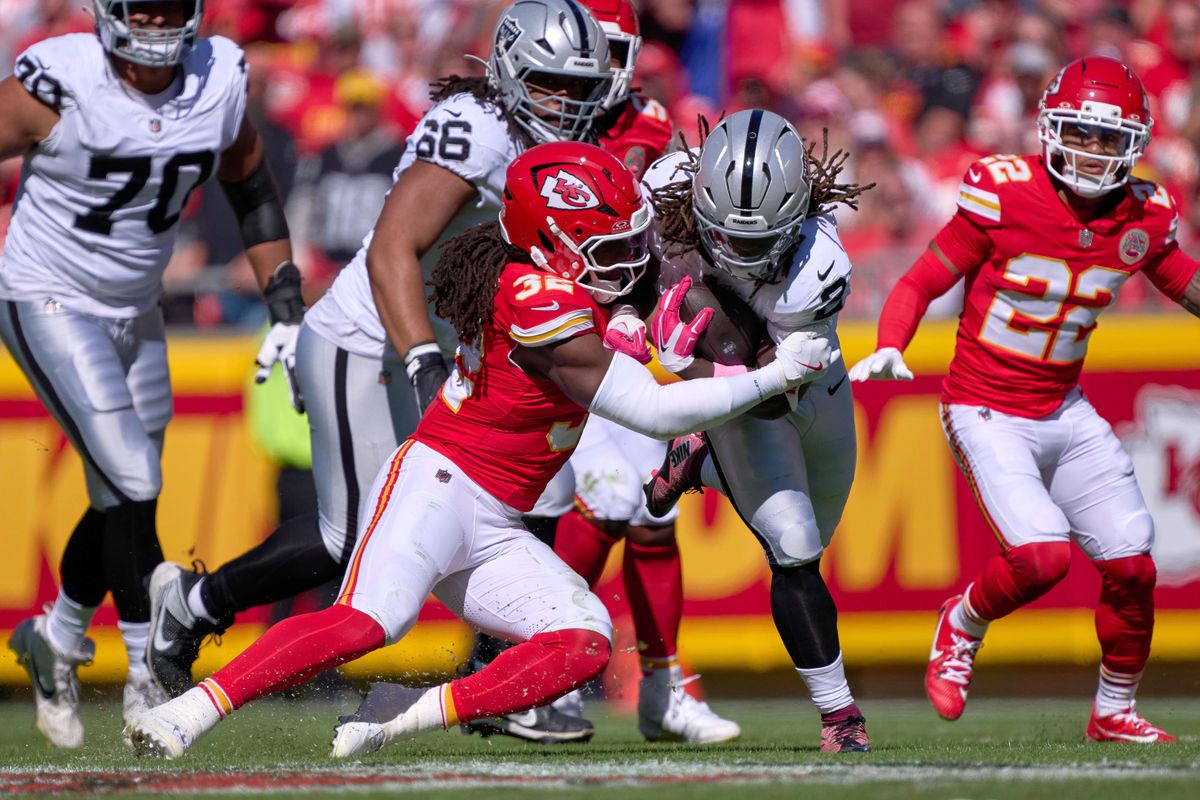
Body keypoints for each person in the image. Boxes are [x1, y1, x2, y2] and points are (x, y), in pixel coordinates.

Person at [125, 141, 837, 760]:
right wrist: (775, 374)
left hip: (497, 519)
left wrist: (653, 328)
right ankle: (185, 713)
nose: (634, 259)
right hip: (439, 487)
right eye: (612, 248)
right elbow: (649, 410)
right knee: (369, 621)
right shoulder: (535, 297)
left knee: (583, 642)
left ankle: (396, 719)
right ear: (556, 246)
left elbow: (632, 319)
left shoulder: (559, 278)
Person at [142, 3, 623, 746]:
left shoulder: (570, 139)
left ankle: (507, 676)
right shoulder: (480, 127)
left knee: (521, 491)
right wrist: (421, 360)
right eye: (552, 82)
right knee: (355, 543)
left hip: (452, 345)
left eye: (580, 85)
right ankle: (199, 603)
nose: (569, 102)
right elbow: (392, 249)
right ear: (511, 74)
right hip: (371, 338)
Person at [847, 56, 1200, 742]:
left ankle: (1113, 710)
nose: (1094, 152)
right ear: (1049, 129)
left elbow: (1183, 279)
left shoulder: (1146, 214)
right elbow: (922, 280)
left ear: (1135, 142)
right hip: (984, 406)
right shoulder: (1005, 192)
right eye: (1081, 133)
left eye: (1109, 138)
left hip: (1063, 408)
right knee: (1043, 558)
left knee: (1132, 562)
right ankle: (963, 622)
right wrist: (892, 340)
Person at [0, 0, 300, 747]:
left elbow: (252, 184)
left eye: (173, 6)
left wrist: (286, 305)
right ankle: (146, 672)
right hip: (46, 296)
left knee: (120, 491)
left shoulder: (216, 78)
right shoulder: (60, 83)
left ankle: (58, 634)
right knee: (133, 478)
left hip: (138, 308)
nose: (160, 25)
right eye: (145, 7)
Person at [462, 0, 740, 746]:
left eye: (613, 53)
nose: (596, 76)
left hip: (617, 322)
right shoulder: (512, 122)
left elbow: (640, 232)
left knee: (655, 510)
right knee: (613, 496)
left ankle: (661, 685)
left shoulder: (640, 122)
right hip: (545, 337)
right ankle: (533, 671)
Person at [641, 109, 875, 753]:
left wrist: (696, 360)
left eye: (758, 240)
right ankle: (841, 716)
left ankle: (699, 460)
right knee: (793, 547)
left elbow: (776, 392)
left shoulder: (815, 266)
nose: (742, 253)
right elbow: (630, 267)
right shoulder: (665, 192)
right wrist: (645, 314)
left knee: (818, 536)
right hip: (739, 394)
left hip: (801, 385)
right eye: (728, 238)